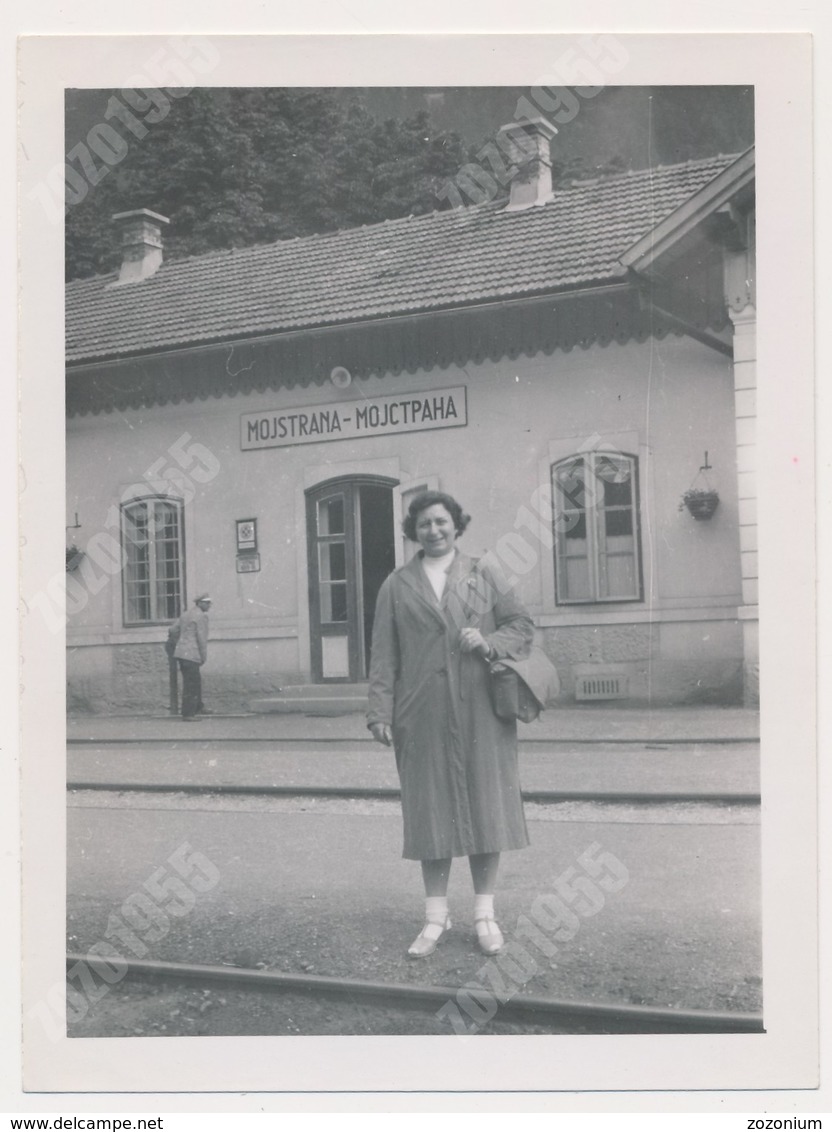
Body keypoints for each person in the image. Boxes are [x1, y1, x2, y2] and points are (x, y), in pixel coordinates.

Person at [367, 491, 534, 959]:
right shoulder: (397, 585)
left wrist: (489, 640)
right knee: (430, 812)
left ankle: (485, 915)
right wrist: (379, 711)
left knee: (487, 809)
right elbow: (384, 655)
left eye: (441, 522)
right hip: (421, 712)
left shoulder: (483, 573)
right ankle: (434, 918)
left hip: (481, 707)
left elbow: (522, 626)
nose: (434, 530)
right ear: (413, 531)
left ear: (456, 525)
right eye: (424, 524)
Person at [166, 594, 212, 721]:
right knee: (192, 683)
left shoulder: (186, 614)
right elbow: (201, 638)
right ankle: (188, 713)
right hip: (192, 653)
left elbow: (173, 629)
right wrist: (203, 656)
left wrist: (181, 641)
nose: (209, 605)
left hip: (181, 652)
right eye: (207, 603)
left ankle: (198, 707)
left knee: (192, 681)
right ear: (200, 603)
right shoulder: (201, 616)